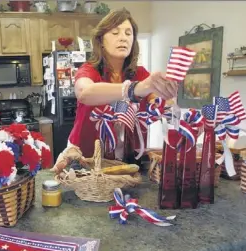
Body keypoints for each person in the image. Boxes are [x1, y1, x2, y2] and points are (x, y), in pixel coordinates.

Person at [59, 8, 178, 162]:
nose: (123, 38)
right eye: (115, 33)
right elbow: (85, 92)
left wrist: (166, 98)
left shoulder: (140, 73)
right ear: (101, 41)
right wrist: (133, 89)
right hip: (83, 155)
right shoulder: (89, 70)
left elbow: (156, 100)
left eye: (128, 33)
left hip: (127, 156)